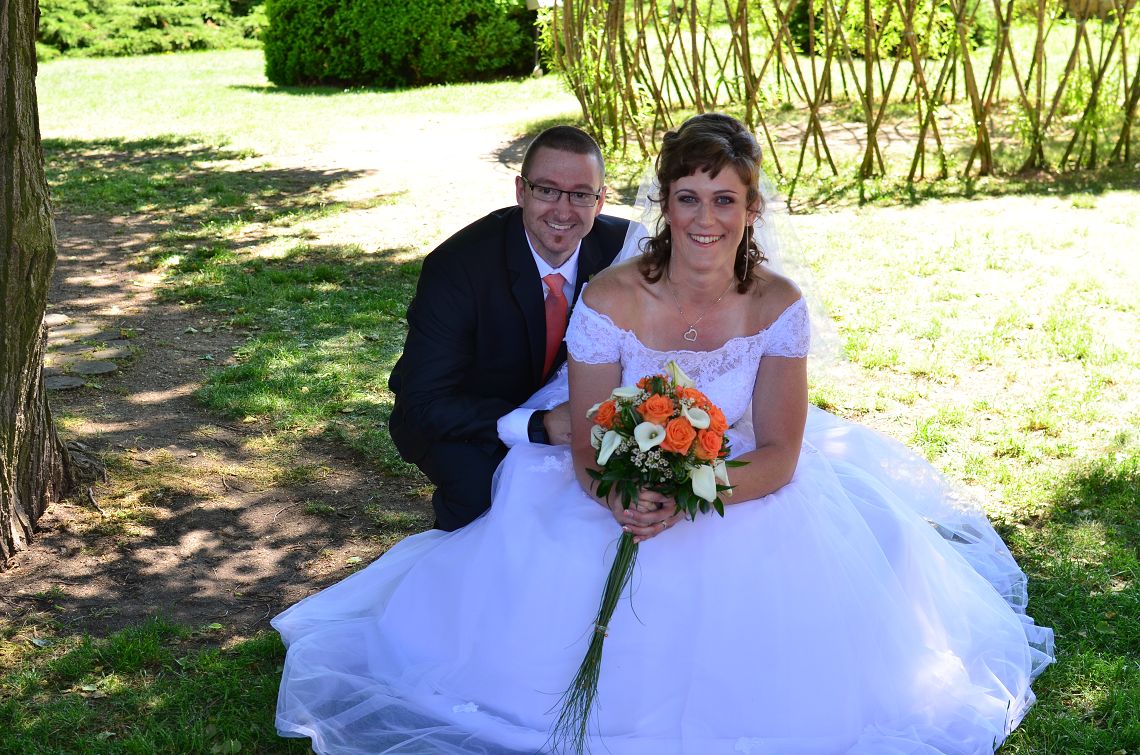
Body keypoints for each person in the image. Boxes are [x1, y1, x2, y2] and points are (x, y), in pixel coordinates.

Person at [274, 114, 1053, 754]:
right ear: (664, 206)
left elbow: (779, 455)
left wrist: (690, 495)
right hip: (618, 475)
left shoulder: (777, 305)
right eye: (688, 198)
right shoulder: (611, 296)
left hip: (740, 485)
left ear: (752, 209)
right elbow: (588, 439)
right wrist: (614, 491)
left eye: (724, 200)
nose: (705, 220)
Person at [387, 125, 630, 531]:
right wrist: (537, 424)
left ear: (600, 200)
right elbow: (425, 403)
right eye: (547, 190)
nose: (563, 211)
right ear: (521, 191)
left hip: (576, 420)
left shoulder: (624, 252)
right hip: (465, 421)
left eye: (580, 194)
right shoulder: (458, 267)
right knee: (486, 502)